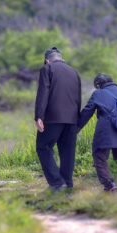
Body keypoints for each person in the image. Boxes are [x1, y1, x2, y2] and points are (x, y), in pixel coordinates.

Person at [78, 73, 117, 192]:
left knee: (99, 154)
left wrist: (75, 128)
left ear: (98, 84)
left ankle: (109, 185)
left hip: (107, 128)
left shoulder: (98, 93)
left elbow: (87, 111)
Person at [34, 47, 82, 191]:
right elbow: (78, 98)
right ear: (61, 58)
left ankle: (56, 182)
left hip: (52, 117)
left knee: (43, 147)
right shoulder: (74, 72)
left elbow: (43, 93)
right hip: (72, 118)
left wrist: (39, 116)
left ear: (48, 60)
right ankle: (67, 183)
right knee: (68, 151)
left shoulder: (47, 69)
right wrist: (77, 118)